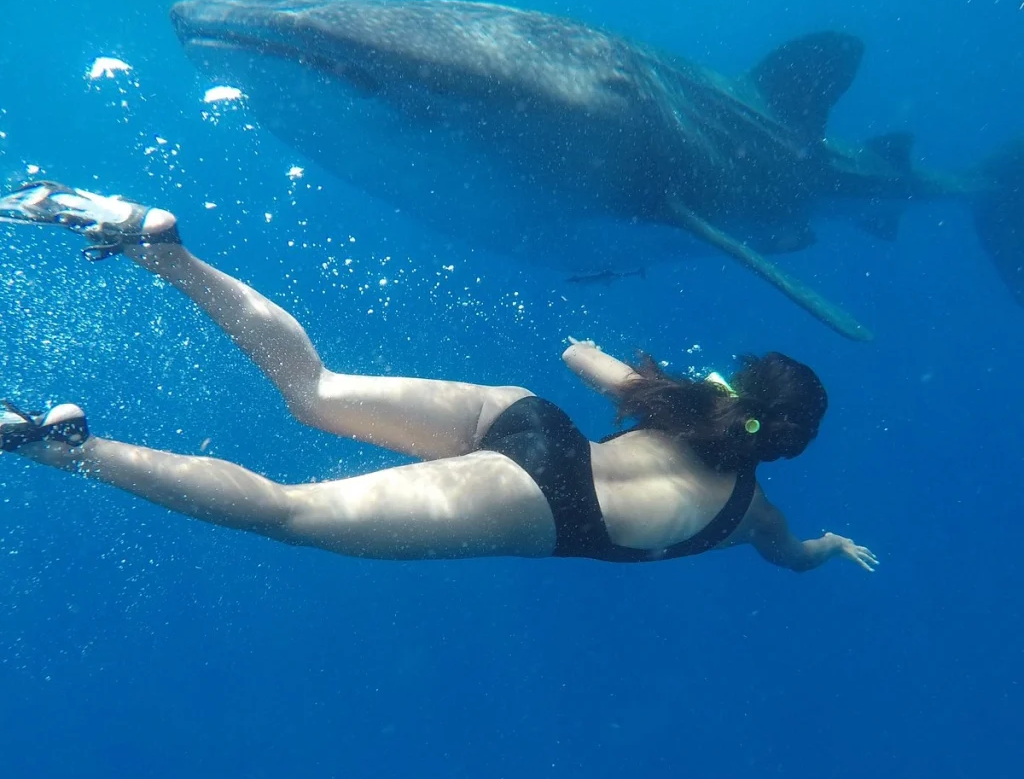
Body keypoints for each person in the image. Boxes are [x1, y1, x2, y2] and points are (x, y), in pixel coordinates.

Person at [0, 181, 876, 571]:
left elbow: (576, 357)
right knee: (287, 513)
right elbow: (791, 558)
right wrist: (827, 548)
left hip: (530, 423)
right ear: (782, 447)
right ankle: (59, 445)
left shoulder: (673, 406)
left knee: (315, 388)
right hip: (546, 503)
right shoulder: (752, 515)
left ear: (738, 392)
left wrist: (647, 374)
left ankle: (162, 251)